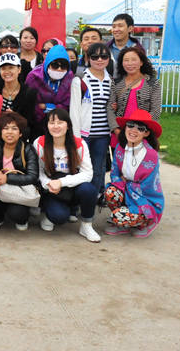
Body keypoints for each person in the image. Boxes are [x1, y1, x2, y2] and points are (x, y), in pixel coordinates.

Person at [33, 108, 100, 242]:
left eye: (60, 122)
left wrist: (62, 182)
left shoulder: (79, 144)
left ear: (68, 125)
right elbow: (38, 171)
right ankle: (49, 214)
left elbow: (88, 173)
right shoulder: (39, 143)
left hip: (72, 187)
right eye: (52, 122)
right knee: (59, 217)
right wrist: (48, 184)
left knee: (89, 190)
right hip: (52, 189)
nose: (56, 126)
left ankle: (86, 225)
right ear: (47, 125)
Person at [104, 109, 164, 238]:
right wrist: (125, 181)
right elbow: (114, 173)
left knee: (117, 216)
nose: (133, 130)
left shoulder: (151, 155)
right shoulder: (120, 148)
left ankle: (147, 222)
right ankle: (124, 223)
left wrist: (127, 182)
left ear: (146, 133)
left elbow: (148, 185)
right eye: (130, 125)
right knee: (110, 192)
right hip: (126, 190)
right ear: (125, 127)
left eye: (140, 128)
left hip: (145, 199)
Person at [0, 111, 39, 232]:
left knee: (17, 214)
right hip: (0, 187)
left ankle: (22, 219)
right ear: (0, 131)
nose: (9, 132)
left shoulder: (28, 149)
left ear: (20, 133)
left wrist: (7, 178)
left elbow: (33, 176)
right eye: (6, 128)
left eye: (14, 128)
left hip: (20, 189)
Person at [70, 42, 113, 198]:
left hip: (103, 134)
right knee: (81, 168)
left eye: (104, 56)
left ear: (109, 59)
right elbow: (74, 110)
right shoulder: (80, 80)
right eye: (95, 56)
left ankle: (95, 198)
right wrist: (76, 137)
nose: (99, 60)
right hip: (84, 134)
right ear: (88, 58)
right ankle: (78, 201)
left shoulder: (111, 80)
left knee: (98, 168)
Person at [107, 47, 162, 142]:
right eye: (126, 60)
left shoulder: (152, 83)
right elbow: (110, 108)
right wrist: (116, 130)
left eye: (133, 60)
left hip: (143, 134)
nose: (130, 63)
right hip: (120, 133)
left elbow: (155, 111)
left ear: (141, 62)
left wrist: (140, 132)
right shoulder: (116, 83)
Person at [0, 53, 40, 139]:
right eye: (3, 68)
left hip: (18, 136)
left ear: (19, 69)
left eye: (11, 67)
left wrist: (15, 116)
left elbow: (30, 122)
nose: (7, 72)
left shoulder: (29, 93)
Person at [25, 45, 75, 127]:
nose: (59, 69)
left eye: (63, 66)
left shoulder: (69, 77)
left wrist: (47, 106)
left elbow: (68, 104)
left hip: (60, 122)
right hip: (36, 123)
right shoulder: (34, 77)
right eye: (55, 65)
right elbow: (30, 104)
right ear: (47, 63)